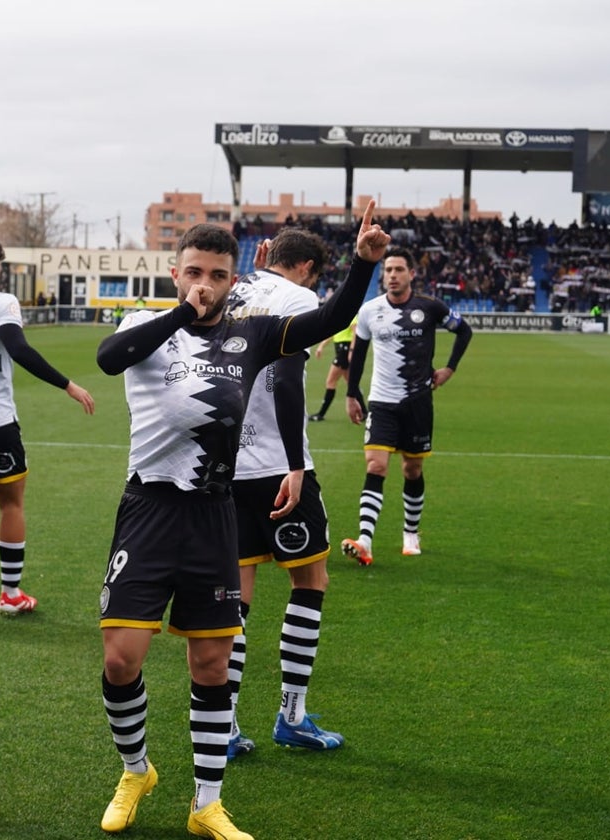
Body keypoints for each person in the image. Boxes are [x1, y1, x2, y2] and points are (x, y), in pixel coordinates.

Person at [95, 205, 389, 839]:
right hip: (148, 509)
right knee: (121, 660)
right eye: (194, 272)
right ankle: (136, 769)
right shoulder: (145, 323)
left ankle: (206, 804)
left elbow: (332, 318)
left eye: (218, 275)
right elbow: (109, 359)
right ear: (176, 273)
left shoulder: (254, 335)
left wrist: (364, 262)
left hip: (214, 515)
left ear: (236, 280)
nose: (205, 283)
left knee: (211, 663)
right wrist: (184, 313)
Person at [223, 229, 343, 763]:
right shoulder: (297, 298)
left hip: (223, 464)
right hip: (276, 463)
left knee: (234, 599)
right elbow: (290, 382)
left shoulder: (231, 289)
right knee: (310, 579)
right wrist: (296, 462)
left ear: (266, 254)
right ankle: (291, 716)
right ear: (310, 269)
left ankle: (221, 724)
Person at [0, 236, 95, 629]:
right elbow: (18, 348)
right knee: (11, 504)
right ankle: (11, 594)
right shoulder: (2, 302)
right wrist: (67, 384)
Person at [340, 247, 474, 566]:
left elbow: (464, 331)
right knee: (376, 466)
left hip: (418, 403)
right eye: (388, 270)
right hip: (382, 402)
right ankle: (365, 540)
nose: (393, 276)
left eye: (399, 270)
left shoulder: (429, 307)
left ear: (411, 274)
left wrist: (449, 368)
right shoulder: (370, 311)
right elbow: (357, 355)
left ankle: (410, 533)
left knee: (412, 469)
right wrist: (351, 394)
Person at [307, 318, 355, 421]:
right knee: (350, 382)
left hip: (344, 350)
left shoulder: (352, 316)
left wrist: (351, 350)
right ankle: (364, 412)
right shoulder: (341, 316)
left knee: (331, 381)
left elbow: (355, 334)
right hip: (341, 349)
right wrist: (321, 346)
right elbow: (333, 332)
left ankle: (321, 414)